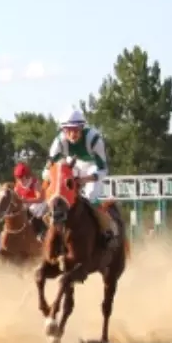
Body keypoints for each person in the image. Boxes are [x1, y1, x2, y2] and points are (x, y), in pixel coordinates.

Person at [44, 107, 119, 249]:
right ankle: (51, 226)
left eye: (76, 130)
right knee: (58, 194)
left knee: (90, 195)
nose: (72, 134)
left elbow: (103, 170)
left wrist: (85, 180)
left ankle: (107, 229)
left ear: (82, 128)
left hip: (92, 166)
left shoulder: (94, 139)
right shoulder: (59, 141)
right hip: (73, 165)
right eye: (68, 130)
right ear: (63, 130)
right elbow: (47, 168)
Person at [13, 162, 48, 239]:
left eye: (22, 177)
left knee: (33, 209)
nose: (20, 180)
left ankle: (42, 231)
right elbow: (16, 198)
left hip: (40, 204)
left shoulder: (34, 183)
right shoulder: (17, 185)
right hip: (26, 206)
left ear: (26, 175)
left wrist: (27, 201)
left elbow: (40, 198)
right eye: (18, 178)